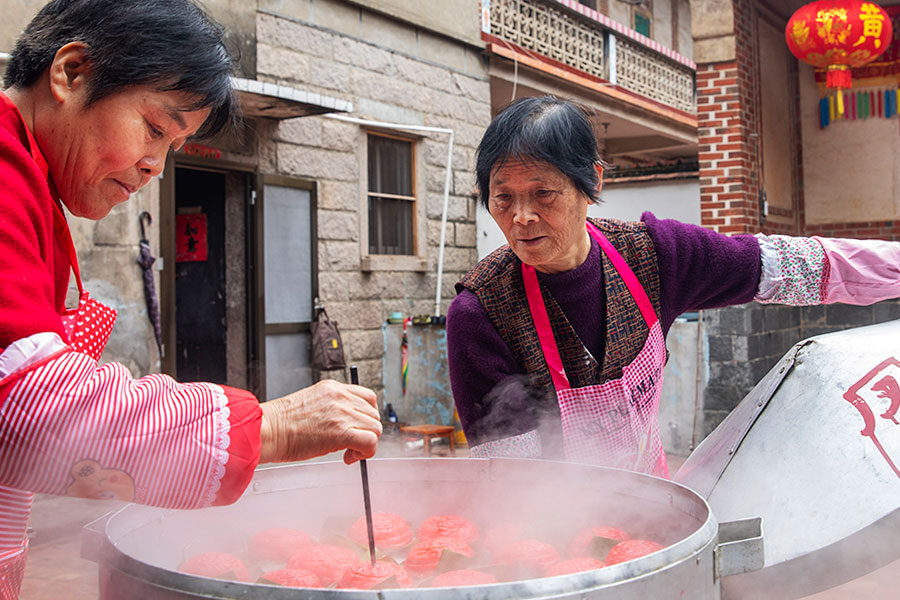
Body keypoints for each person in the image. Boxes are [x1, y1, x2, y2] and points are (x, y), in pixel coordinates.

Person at [0, 0, 381, 596]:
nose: (155, 165)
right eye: (154, 128)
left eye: (173, 145)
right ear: (71, 73)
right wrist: (272, 426)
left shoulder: (32, 188)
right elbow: (29, 410)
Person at [447, 95, 900, 476]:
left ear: (592, 181)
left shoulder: (655, 256)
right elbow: (510, 476)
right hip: (554, 535)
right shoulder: (481, 312)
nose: (521, 217)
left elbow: (789, 265)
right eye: (503, 197)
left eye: (543, 193)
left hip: (655, 502)